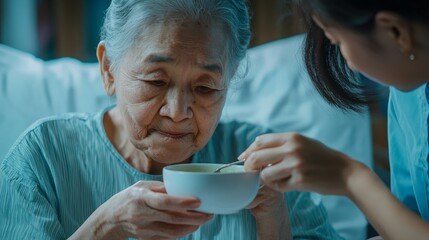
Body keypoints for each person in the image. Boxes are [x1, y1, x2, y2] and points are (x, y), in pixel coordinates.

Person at [0, 0, 343, 239]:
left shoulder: (263, 163)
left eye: (206, 87)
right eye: (156, 81)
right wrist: (108, 226)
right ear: (108, 70)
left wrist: (274, 219)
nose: (178, 111)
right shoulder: (42, 156)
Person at [241, 1, 429, 239]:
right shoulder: (407, 93)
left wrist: (349, 177)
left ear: (395, 32)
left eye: (338, 41)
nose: (347, 62)